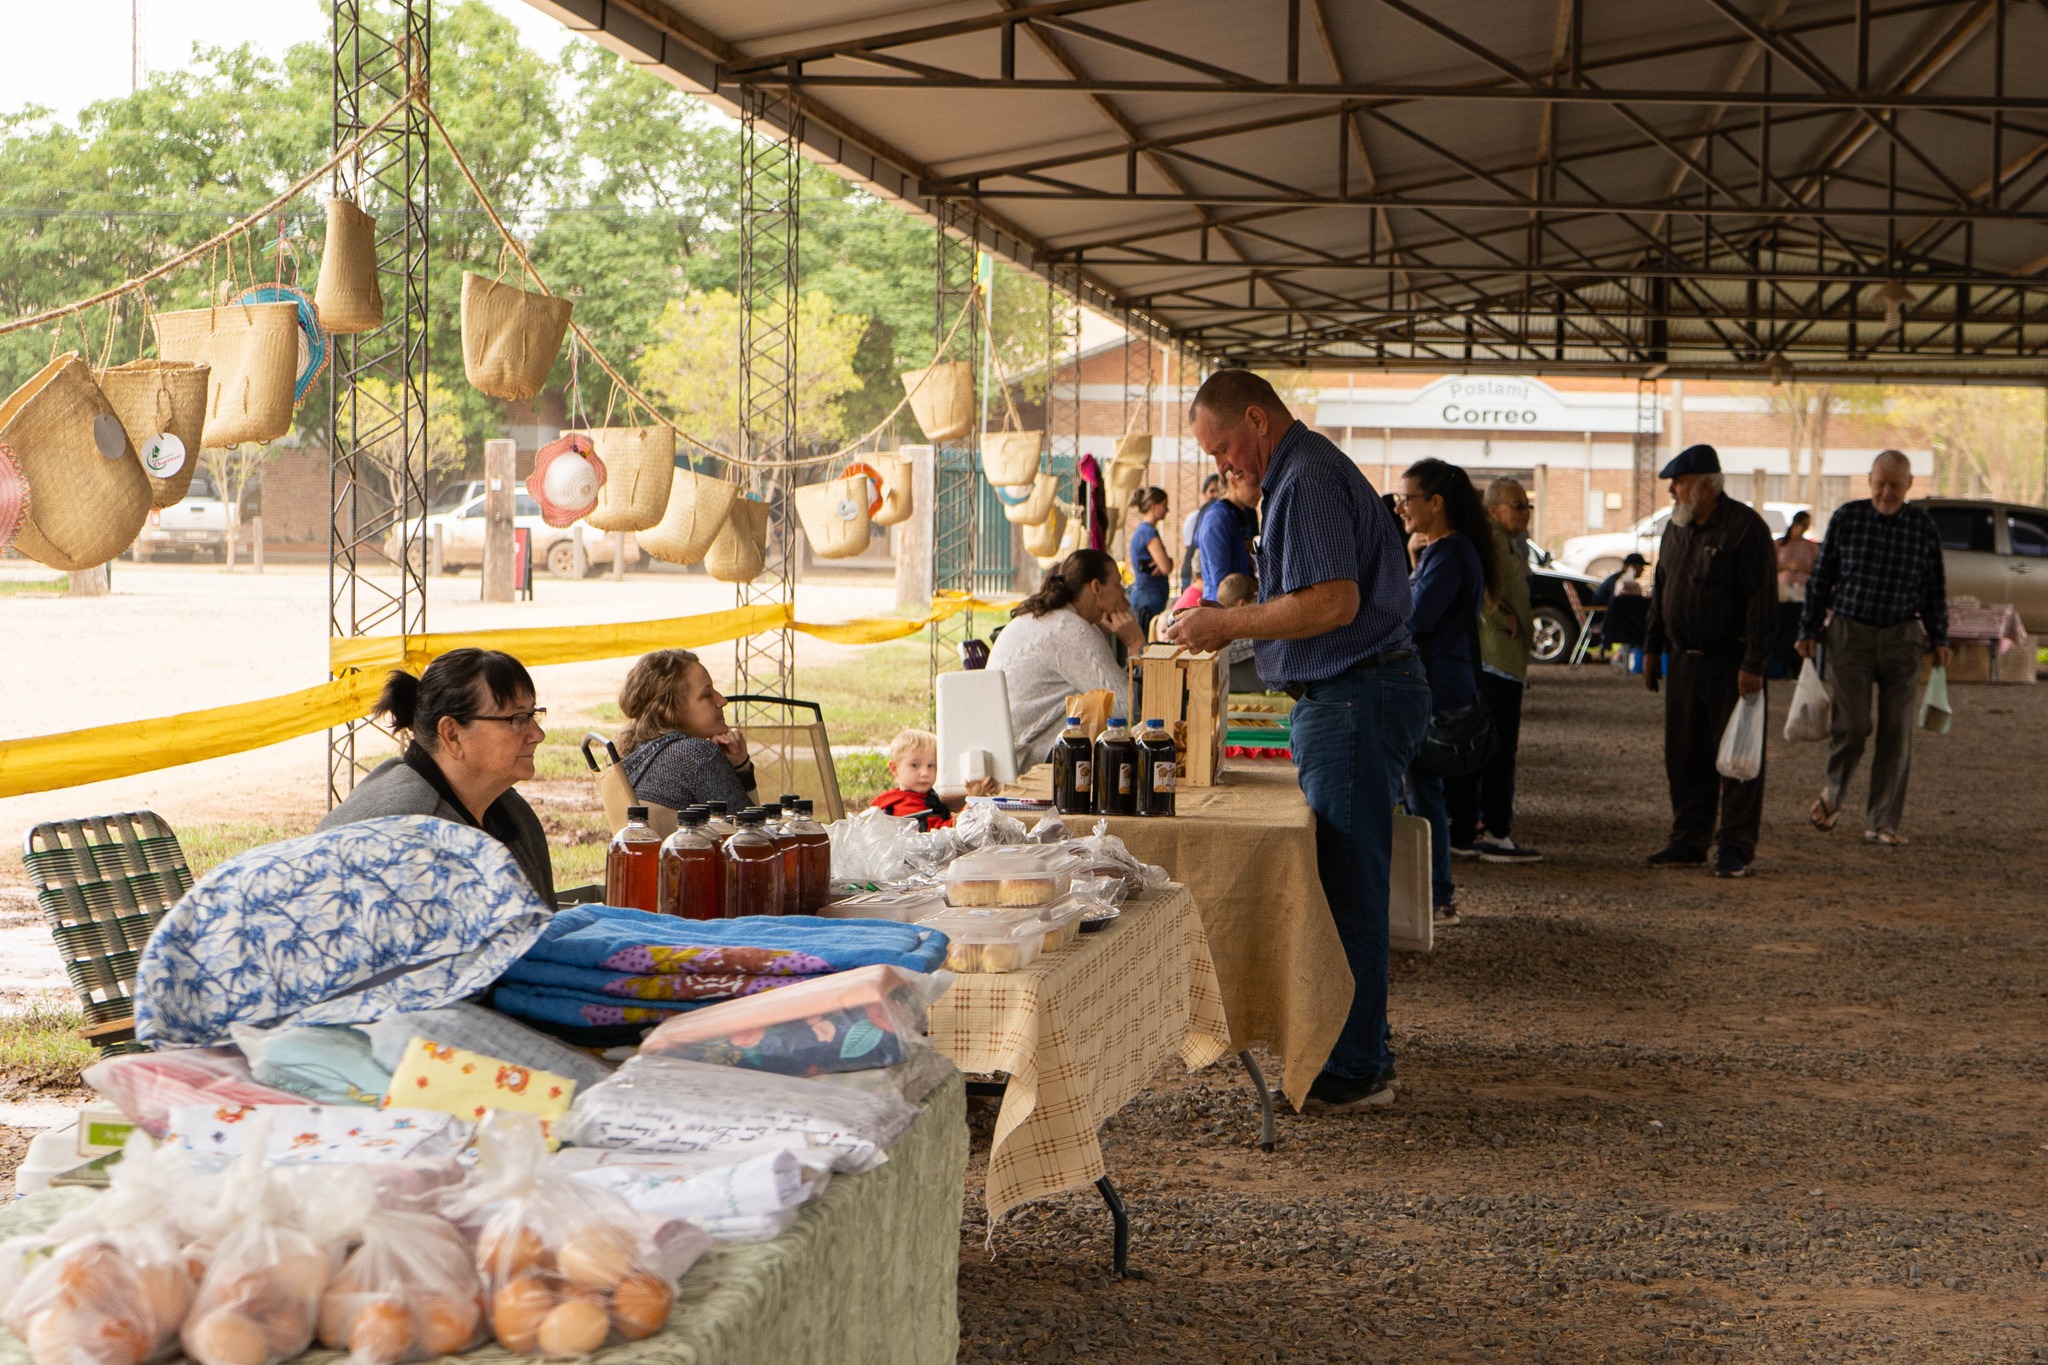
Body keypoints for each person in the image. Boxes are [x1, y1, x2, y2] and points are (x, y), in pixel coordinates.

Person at [1167, 369, 1429, 1110]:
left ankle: (1354, 1066)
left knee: (1346, 887)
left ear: (1257, 419)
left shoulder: (1306, 476)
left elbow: (1334, 601)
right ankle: (1358, 1048)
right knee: (1347, 879)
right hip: (1353, 693)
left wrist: (1225, 623)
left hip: (1354, 694)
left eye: (1224, 449)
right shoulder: (1296, 474)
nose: (1225, 467)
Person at [318, 648, 555, 904]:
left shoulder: (511, 813)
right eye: (517, 719)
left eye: (532, 715)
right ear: (452, 735)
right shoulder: (403, 835)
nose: (537, 735)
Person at [1796, 451, 1951, 845]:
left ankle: (1882, 822)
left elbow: (1935, 588)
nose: (1886, 493)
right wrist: (1808, 628)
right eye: (1880, 484)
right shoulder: (1847, 518)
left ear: (1909, 485)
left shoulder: (1922, 527)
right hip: (1851, 635)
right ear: (1869, 480)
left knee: (1897, 732)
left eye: (1895, 485)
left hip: (1903, 637)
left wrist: (1940, 638)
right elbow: (1821, 578)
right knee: (1851, 726)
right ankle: (1834, 794)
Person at [1642, 443, 1778, 878]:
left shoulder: (1745, 529)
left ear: (1706, 485)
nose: (1672, 491)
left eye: (1679, 483)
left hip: (1731, 664)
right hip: (1684, 663)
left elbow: (1762, 601)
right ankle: (1688, 841)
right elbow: (1661, 588)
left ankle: (1735, 847)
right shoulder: (1676, 528)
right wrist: (1651, 648)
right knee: (1685, 757)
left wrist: (1754, 663)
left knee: (1738, 758)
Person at [1395, 459, 1499, 924]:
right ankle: (1432, 895)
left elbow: (1415, 618)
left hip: (1437, 690)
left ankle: (1436, 897)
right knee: (1423, 794)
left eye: (1407, 499)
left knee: (1423, 797)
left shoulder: (1450, 554)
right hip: (1445, 684)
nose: (1400, 508)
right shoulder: (1447, 551)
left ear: (1435, 503)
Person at [1446, 478, 1541, 866]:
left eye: (1527, 505)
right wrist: (1502, 618)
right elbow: (1481, 591)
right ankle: (1494, 833)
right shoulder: (1491, 541)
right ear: (1492, 509)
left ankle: (1477, 827)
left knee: (1491, 747)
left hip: (1504, 659)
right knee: (1496, 749)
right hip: (1495, 659)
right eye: (1517, 505)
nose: (1525, 513)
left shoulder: (1504, 541)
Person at [985, 548, 1142, 772]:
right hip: (1026, 762)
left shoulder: (1051, 618)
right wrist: (1135, 644)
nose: (1123, 595)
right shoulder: (1072, 630)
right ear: (1096, 587)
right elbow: (1128, 713)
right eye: (1118, 585)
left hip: (1005, 754)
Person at [613, 648, 757, 813]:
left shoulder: (632, 754)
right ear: (670, 709)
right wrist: (743, 769)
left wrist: (739, 764)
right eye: (707, 695)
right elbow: (752, 826)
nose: (722, 701)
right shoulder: (697, 755)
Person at [868, 728, 996, 829]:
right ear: (894, 768)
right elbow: (942, 833)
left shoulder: (921, 797)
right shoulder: (903, 806)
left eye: (931, 765)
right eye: (915, 765)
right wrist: (973, 801)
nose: (925, 773)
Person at [1126, 486, 1174, 637]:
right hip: (1149, 596)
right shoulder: (1148, 532)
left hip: (1147, 595)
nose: (1167, 510)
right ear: (1154, 506)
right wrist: (1167, 562)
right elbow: (1166, 567)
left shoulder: (1142, 531)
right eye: (1164, 505)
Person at [1179, 473, 1222, 591]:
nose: (1216, 495)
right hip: (1194, 573)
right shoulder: (1195, 517)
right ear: (1204, 493)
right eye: (1212, 491)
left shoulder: (1219, 513)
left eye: (1219, 490)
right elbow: (1191, 547)